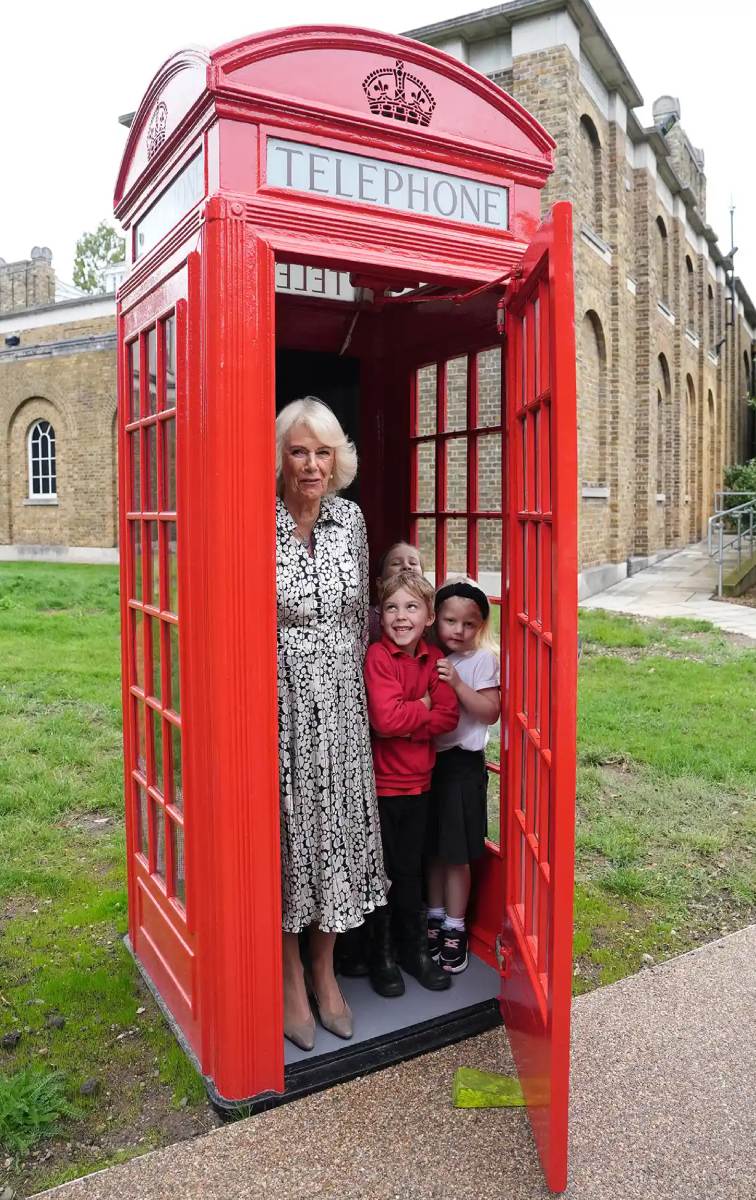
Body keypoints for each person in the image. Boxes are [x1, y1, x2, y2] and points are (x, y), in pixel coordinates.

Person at [276, 397, 387, 1050]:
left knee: (336, 841)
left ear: (337, 458)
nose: (312, 464)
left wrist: (360, 700)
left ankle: (324, 971)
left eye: (323, 451)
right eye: (299, 450)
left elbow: (357, 613)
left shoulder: (351, 519)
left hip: (342, 712)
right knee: (290, 842)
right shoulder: (258, 518)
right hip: (281, 710)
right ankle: (289, 972)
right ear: (281, 457)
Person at [363, 571, 458, 995]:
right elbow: (383, 721)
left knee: (410, 872)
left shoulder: (436, 660)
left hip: (420, 784)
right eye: (392, 608)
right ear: (380, 615)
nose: (401, 617)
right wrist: (420, 708)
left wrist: (409, 715)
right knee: (380, 873)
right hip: (381, 786)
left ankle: (414, 951)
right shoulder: (378, 658)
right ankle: (380, 955)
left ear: (429, 616)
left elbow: (448, 717)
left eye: (411, 607)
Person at [426, 579, 501, 974]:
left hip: (461, 766)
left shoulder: (482, 661)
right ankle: (434, 915)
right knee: (433, 849)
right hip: (426, 763)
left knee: (456, 854)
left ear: (482, 625)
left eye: (468, 624)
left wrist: (456, 683)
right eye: (449, 620)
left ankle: (456, 925)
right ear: (435, 619)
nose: (458, 630)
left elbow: (489, 712)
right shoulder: (428, 654)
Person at [368, 542, 425, 643]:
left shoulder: (429, 614)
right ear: (380, 582)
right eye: (396, 563)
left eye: (413, 563)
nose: (407, 566)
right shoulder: (368, 618)